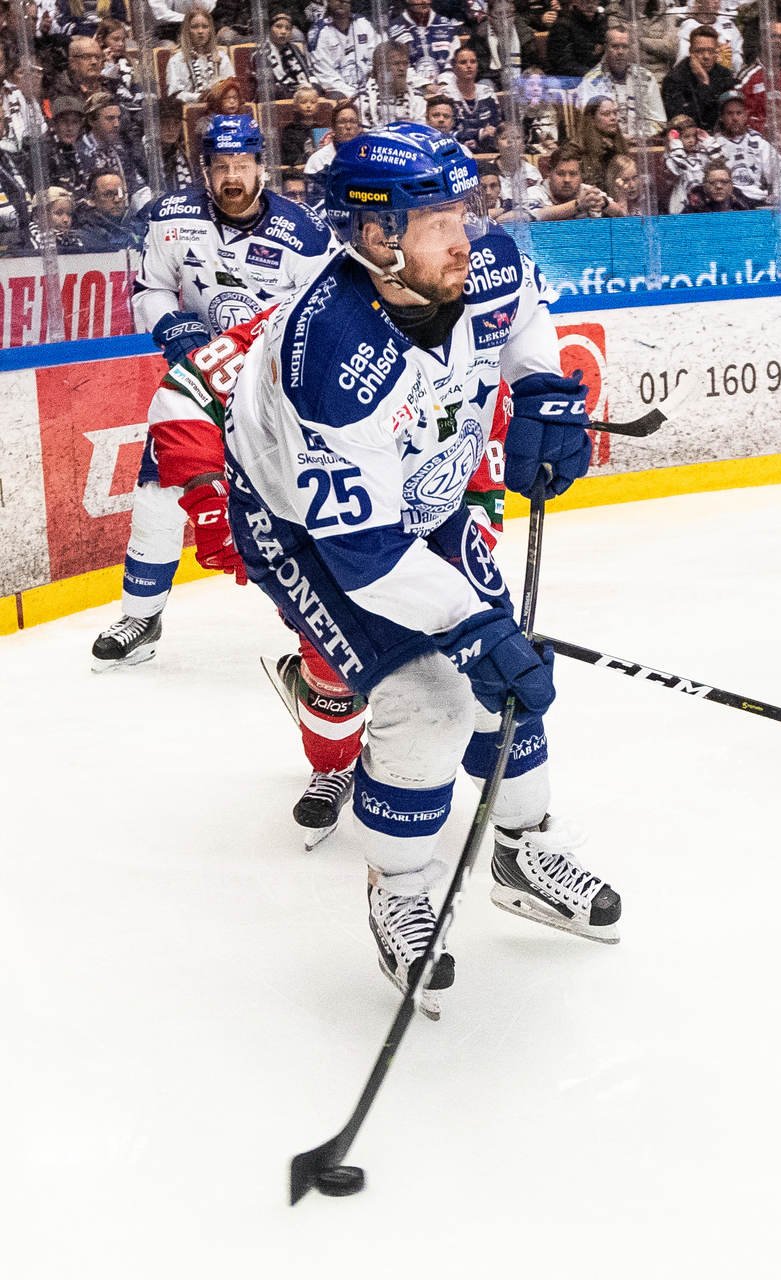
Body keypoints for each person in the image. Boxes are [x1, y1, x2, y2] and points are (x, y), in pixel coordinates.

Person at [215, 122, 618, 1008]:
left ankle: (520, 845)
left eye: (462, 212)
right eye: (437, 219)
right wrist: (469, 630)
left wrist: (545, 389)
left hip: (423, 508)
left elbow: (522, 317)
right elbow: (363, 553)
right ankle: (399, 891)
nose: (463, 237)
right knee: (431, 693)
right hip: (314, 537)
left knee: (506, 669)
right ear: (375, 235)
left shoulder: (476, 266)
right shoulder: (330, 351)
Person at [92, 115, 337, 678]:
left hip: (275, 396)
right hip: (201, 386)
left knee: (294, 515)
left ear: (261, 166)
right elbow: (149, 288)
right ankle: (141, 619)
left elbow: (324, 315)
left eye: (242, 166)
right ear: (205, 169)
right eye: (221, 167)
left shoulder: (304, 234)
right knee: (156, 496)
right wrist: (171, 326)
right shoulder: (171, 219)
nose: (233, 178)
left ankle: (323, 638)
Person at [667, 89, 781, 210]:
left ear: (746, 115)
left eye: (739, 113)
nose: (735, 118)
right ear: (721, 117)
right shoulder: (711, 145)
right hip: (723, 204)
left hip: (755, 202)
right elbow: (697, 179)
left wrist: (774, 200)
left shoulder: (759, 143)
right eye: (729, 113)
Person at [737, 17, 781, 138]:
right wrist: (766, 135)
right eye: (773, 36)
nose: (777, 41)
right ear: (763, 39)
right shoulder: (746, 77)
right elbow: (741, 116)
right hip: (755, 143)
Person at [663, 23, 737, 131]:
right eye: (700, 51)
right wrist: (704, 82)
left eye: (711, 51)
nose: (706, 57)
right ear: (690, 51)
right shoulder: (674, 79)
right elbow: (682, 121)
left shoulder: (724, 75)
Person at [439, 46, 505, 153]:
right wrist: (479, 133)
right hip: (455, 151)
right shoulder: (445, 94)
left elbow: (496, 127)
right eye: (463, 62)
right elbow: (444, 130)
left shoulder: (488, 93)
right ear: (454, 67)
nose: (469, 66)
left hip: (486, 149)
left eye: (473, 62)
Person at [314, 0, 382, 101]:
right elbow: (325, 74)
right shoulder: (319, 32)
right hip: (341, 95)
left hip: (370, 89)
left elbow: (378, 56)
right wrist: (353, 94)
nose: (341, 2)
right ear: (328, 2)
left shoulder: (364, 23)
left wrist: (369, 88)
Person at [166, 4, 234, 104]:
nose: (200, 31)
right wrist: (201, 97)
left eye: (205, 27)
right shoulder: (176, 60)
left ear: (210, 30)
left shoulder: (222, 57)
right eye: (194, 27)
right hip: (189, 111)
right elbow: (175, 95)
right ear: (187, 31)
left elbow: (231, 87)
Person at [389, 0, 463, 83]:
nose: (423, 1)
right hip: (410, 90)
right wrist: (424, 85)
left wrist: (444, 83)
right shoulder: (393, 29)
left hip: (446, 88)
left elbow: (455, 62)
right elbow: (396, 66)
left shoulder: (447, 26)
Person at [530, 143, 612, 218]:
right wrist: (577, 205)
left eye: (573, 174)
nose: (567, 180)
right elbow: (534, 217)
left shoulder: (588, 192)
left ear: (581, 175)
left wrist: (604, 203)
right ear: (549, 173)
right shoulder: (535, 193)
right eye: (560, 174)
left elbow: (620, 213)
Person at [71, 172, 144, 250]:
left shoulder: (140, 229)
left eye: (120, 194)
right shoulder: (81, 239)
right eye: (108, 194)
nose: (117, 200)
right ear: (91, 199)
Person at [548, 0, 610, 81]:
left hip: (599, 77)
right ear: (575, 2)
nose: (590, 5)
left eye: (594, 1)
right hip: (571, 80)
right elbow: (563, 63)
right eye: (585, 1)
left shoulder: (601, 22)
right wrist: (593, 75)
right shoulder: (562, 25)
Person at [265, 11, 317, 97]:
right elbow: (266, 88)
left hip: (302, 94)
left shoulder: (295, 49)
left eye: (288, 28)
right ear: (269, 29)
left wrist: (314, 87)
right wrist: (297, 93)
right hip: (277, 97)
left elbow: (308, 73)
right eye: (278, 27)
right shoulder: (261, 53)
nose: (283, 32)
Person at [684, 157, 753, 210]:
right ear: (704, 186)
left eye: (724, 182)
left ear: (731, 186)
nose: (718, 186)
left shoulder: (744, 206)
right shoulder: (692, 210)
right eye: (712, 182)